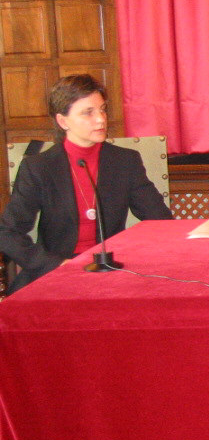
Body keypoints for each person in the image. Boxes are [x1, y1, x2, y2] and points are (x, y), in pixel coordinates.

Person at [0, 74, 172, 294]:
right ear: (63, 121)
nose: (101, 119)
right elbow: (8, 232)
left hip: (111, 269)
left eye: (102, 110)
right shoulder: (39, 167)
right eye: (88, 112)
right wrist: (53, 264)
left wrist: (135, 255)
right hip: (56, 270)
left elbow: (159, 220)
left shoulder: (125, 161)